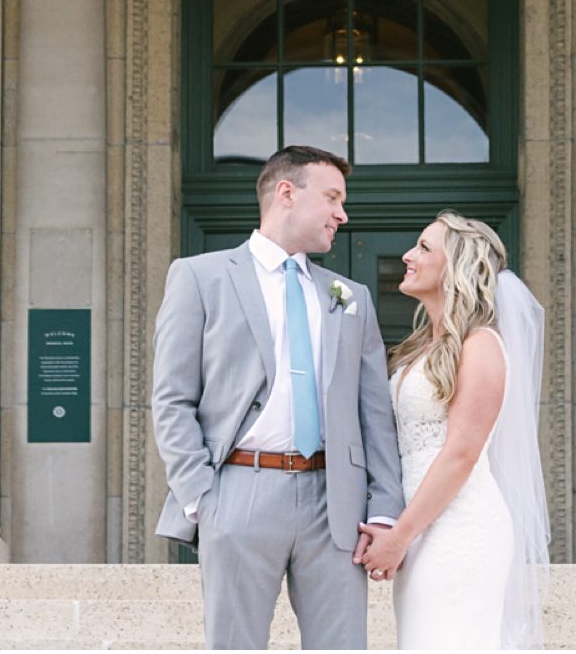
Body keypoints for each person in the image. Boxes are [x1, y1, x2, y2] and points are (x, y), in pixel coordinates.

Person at [151, 145, 405, 650]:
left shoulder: (351, 296)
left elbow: (375, 413)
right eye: (332, 197)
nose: (342, 214)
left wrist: (384, 509)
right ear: (286, 193)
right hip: (239, 490)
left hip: (335, 503)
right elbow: (172, 398)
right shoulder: (199, 277)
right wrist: (202, 498)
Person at [356, 213, 549, 650]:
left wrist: (399, 537)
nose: (408, 255)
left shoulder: (480, 346)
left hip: (461, 530)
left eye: (424, 248)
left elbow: (461, 453)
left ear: (456, 268)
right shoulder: (420, 347)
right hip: (420, 529)